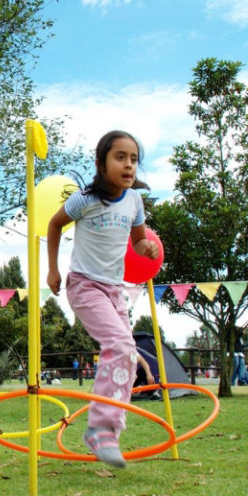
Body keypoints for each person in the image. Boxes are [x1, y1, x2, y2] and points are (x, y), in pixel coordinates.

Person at [47, 130, 159, 468]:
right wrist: (52, 270)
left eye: (134, 159)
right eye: (120, 157)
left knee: (127, 357)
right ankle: (99, 428)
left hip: (114, 290)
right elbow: (54, 225)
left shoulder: (134, 201)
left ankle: (110, 430)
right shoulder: (85, 200)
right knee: (122, 346)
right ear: (101, 163)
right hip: (84, 285)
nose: (128, 165)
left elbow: (138, 241)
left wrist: (146, 248)